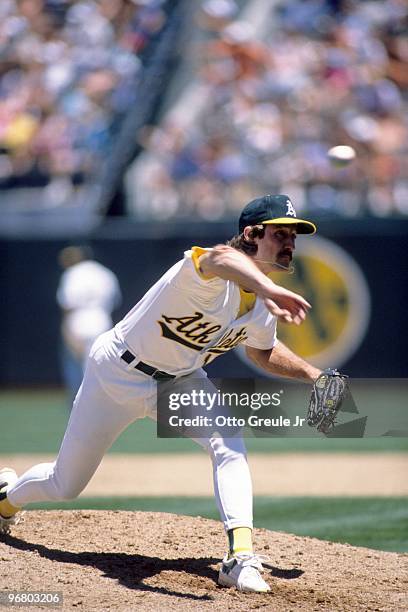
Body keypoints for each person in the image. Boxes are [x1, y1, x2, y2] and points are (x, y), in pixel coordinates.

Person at [0, 194, 321, 593]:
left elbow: (261, 350)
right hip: (116, 371)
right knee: (65, 484)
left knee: (228, 442)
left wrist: (314, 375)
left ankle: (239, 558)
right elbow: (220, 258)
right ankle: (6, 499)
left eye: (294, 236)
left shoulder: (260, 301)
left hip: (179, 382)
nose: (290, 243)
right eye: (280, 234)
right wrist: (267, 288)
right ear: (251, 234)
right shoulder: (206, 271)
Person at [56, 245, 122, 403]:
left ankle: (79, 405)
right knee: (97, 368)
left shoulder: (73, 273)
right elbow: (115, 302)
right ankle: (100, 404)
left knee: (75, 367)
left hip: (78, 322)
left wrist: (66, 330)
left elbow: (68, 304)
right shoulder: (104, 273)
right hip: (102, 321)